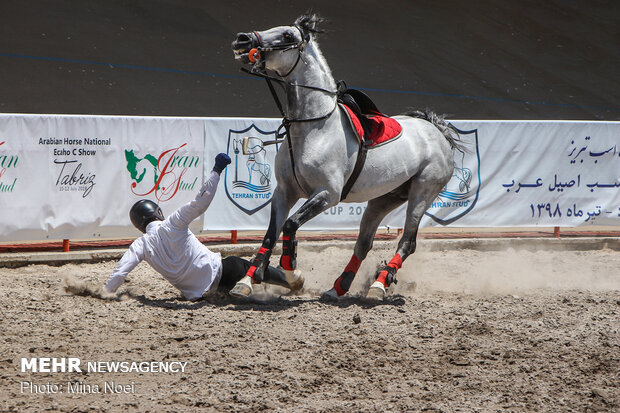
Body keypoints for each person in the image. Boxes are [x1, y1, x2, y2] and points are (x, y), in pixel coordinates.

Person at [103, 153, 303, 300]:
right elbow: (202, 201)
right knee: (251, 266)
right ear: (157, 212)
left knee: (243, 276)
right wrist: (216, 171)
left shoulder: (140, 246)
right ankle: (293, 282)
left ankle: (268, 283)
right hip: (223, 271)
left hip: (201, 295)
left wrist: (106, 292)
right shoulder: (173, 223)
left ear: (139, 225)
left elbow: (120, 272)